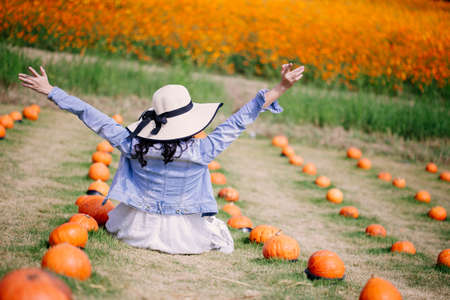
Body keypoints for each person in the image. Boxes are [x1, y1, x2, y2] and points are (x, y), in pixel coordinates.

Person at [18, 63, 304, 254]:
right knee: (216, 228)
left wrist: (53, 92)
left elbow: (95, 118)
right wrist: (280, 88)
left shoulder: (133, 144)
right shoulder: (202, 150)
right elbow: (240, 120)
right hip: (184, 235)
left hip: (135, 229)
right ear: (189, 120)